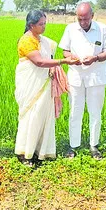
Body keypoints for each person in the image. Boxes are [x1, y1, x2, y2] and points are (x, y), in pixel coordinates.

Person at [14, 10, 79, 165]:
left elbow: (47, 57)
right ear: (31, 25)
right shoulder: (26, 41)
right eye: (41, 24)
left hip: (45, 83)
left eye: (45, 23)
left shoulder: (43, 41)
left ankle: (39, 150)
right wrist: (63, 62)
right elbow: (40, 62)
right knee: (31, 114)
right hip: (32, 85)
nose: (44, 27)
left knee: (43, 114)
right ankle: (24, 153)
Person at [59, 2, 106, 159]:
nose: (83, 22)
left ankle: (93, 145)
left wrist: (95, 58)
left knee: (95, 112)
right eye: (80, 19)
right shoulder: (70, 29)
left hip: (96, 77)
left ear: (92, 16)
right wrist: (71, 58)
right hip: (76, 76)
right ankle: (73, 145)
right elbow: (65, 50)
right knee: (75, 111)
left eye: (86, 19)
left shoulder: (102, 29)